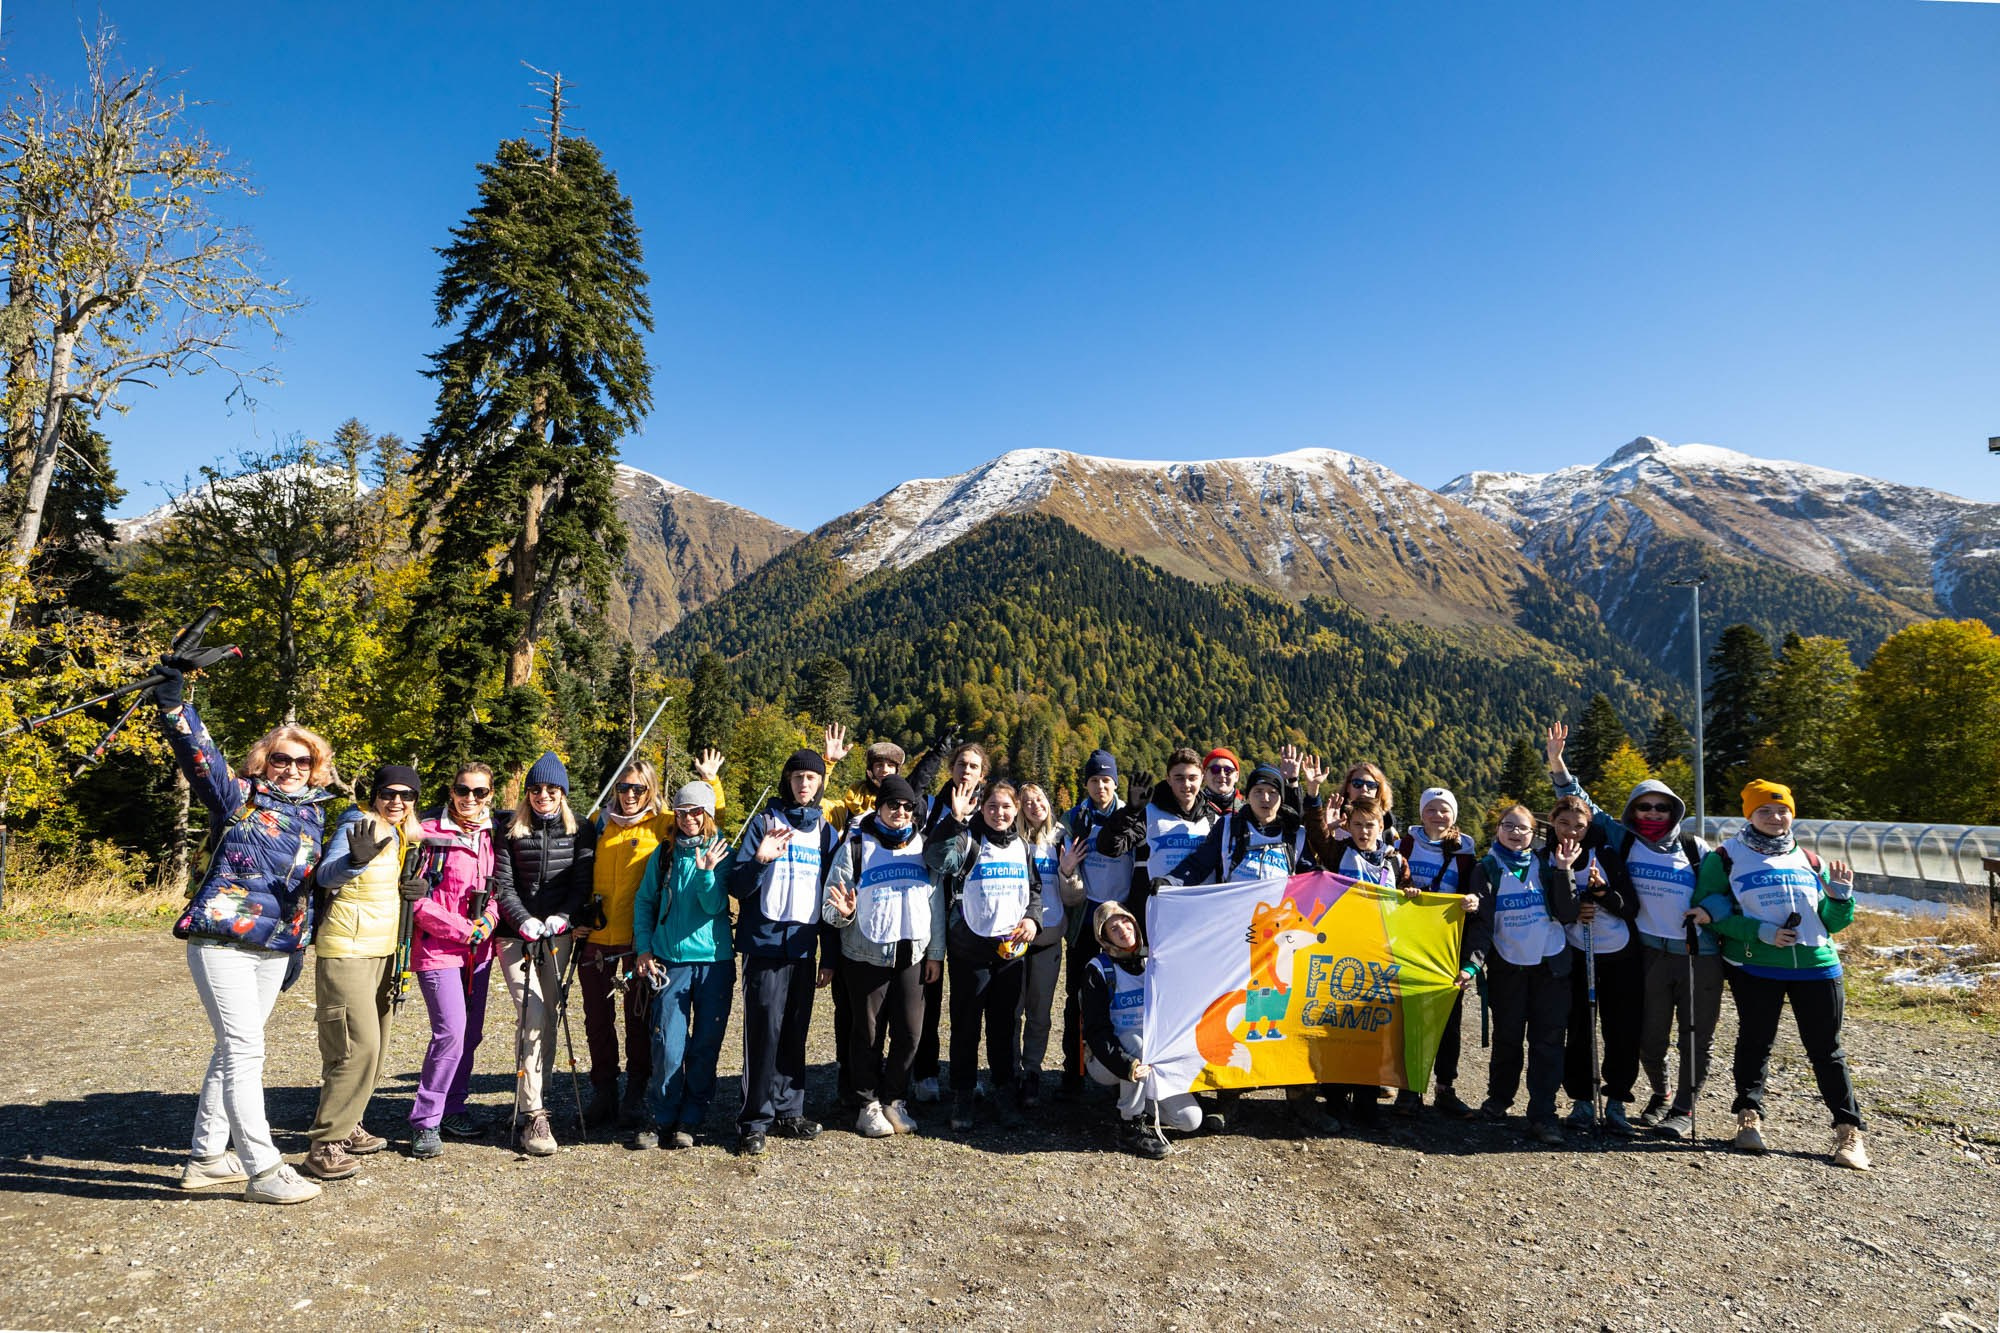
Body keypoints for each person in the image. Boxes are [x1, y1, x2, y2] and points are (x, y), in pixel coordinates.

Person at [158, 656, 333, 1206]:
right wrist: (175, 705)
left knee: (232, 1049)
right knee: (245, 1047)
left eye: (303, 762)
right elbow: (200, 758)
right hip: (223, 940)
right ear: (263, 760)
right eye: (281, 758)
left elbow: (304, 887)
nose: (291, 768)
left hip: (275, 946)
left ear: (316, 767)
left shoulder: (315, 815)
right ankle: (263, 1167)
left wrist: (299, 941)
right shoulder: (240, 799)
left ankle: (208, 1157)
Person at [1546, 722, 1719, 1141]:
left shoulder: (1695, 849)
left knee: (1658, 1033)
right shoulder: (1622, 838)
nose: (1653, 815)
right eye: (1645, 807)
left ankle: (1657, 1104)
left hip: (1686, 952)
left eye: (1662, 808)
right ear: (1632, 811)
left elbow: (1719, 890)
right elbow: (1580, 810)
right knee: (1640, 1034)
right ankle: (1614, 1098)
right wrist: (1556, 762)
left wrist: (1709, 910)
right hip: (1642, 950)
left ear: (1675, 811)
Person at [1704, 780, 1869, 1169]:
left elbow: (1831, 922)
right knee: (1755, 1041)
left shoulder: (1811, 860)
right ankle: (1749, 1117)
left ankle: (1849, 1131)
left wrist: (1843, 899)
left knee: (1827, 1050)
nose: (1776, 817)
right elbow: (1710, 912)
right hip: (1756, 965)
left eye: (1783, 810)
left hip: (1817, 966)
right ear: (1749, 814)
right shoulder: (1726, 857)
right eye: (1765, 810)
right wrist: (1759, 932)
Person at [582, 752, 723, 1132]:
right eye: (623, 786)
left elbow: (707, 815)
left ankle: (635, 1093)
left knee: (639, 1020)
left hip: (637, 940)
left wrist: (711, 781)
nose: (629, 793)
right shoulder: (598, 823)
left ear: (651, 791)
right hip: (597, 936)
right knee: (596, 1020)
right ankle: (604, 1091)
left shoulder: (663, 824)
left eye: (638, 788)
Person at [301, 764, 424, 1181]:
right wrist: (354, 860)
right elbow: (326, 875)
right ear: (375, 795)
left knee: (376, 1046)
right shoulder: (358, 824)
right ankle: (324, 1145)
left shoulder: (406, 833)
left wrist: (414, 891)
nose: (397, 801)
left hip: (383, 952)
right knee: (356, 1048)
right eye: (389, 793)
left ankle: (348, 1122)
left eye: (407, 796)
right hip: (347, 951)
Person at [729, 748, 838, 1155]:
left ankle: (789, 1110)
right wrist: (759, 859)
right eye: (797, 777)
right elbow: (737, 885)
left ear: (820, 783)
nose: (804, 784)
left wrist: (828, 956)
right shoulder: (764, 822)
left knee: (794, 1030)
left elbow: (831, 897)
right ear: (787, 781)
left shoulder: (826, 832)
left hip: (803, 948)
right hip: (765, 946)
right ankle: (754, 1120)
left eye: (811, 778)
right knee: (763, 1033)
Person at [822, 774, 943, 1137]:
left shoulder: (923, 846)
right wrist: (842, 912)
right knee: (867, 1035)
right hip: (864, 956)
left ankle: (895, 1099)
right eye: (893, 805)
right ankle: (867, 1104)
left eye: (908, 807)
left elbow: (935, 904)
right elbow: (830, 903)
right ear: (880, 806)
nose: (901, 812)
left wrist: (935, 953)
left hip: (912, 956)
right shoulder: (856, 846)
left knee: (909, 1034)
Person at [492, 751, 598, 1157]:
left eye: (552, 789)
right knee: (532, 1012)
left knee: (548, 1016)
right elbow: (503, 884)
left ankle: (535, 1095)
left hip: (557, 935)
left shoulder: (581, 829)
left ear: (563, 793)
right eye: (535, 789)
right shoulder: (509, 828)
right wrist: (522, 921)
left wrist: (563, 918)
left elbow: (581, 881)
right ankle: (535, 1114)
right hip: (515, 937)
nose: (543, 796)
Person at [928, 775, 1043, 1130]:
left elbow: (1034, 888)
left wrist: (1032, 919)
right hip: (970, 949)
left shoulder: (1023, 847)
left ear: (1016, 810)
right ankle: (963, 1094)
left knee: (1004, 1026)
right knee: (965, 1027)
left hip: (1011, 952)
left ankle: (1004, 1091)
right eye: (992, 805)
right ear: (981, 807)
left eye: (1006, 806)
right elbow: (935, 859)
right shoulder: (968, 840)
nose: (999, 812)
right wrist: (955, 820)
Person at [631, 782, 735, 1149]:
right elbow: (644, 903)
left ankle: (690, 1119)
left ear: (707, 814)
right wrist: (643, 950)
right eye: (682, 812)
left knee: (705, 1044)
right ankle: (661, 1116)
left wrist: (707, 871)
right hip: (669, 963)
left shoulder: (722, 851)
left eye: (696, 812)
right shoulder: (664, 855)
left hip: (713, 962)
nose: (689, 819)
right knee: (668, 1044)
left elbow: (715, 906)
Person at [408, 763, 503, 1160]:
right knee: (450, 1032)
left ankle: (454, 1107)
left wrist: (490, 919)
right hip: (437, 948)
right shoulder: (426, 833)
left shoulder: (495, 835)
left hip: (478, 951)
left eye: (479, 792)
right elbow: (414, 897)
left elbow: (500, 888)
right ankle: (425, 1120)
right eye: (463, 790)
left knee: (471, 1034)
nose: (470, 798)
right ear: (451, 791)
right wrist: (459, 928)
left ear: (491, 796)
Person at [1471, 803, 1579, 1145]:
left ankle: (1543, 1113)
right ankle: (1499, 1098)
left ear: (1535, 834)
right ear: (1498, 830)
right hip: (1508, 967)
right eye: (1509, 826)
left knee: (1547, 1042)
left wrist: (1564, 871)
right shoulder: (1486, 868)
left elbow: (1567, 912)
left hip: (1551, 966)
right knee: (1508, 1036)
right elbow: (1482, 923)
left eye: (1523, 828)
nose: (1516, 833)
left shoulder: (1547, 866)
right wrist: (1473, 963)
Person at [1548, 794, 1642, 1136]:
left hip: (1619, 952)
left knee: (1622, 1029)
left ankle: (1616, 1101)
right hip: (1575, 950)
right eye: (1564, 824)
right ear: (1552, 823)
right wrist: (1579, 903)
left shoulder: (1605, 855)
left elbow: (1629, 906)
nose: (1571, 832)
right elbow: (1557, 909)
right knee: (1579, 1028)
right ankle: (1582, 1101)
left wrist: (1601, 894)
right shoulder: (1546, 857)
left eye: (1579, 825)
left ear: (1589, 827)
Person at [1081, 901, 1202, 1159]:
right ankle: (1130, 1125)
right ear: (1104, 938)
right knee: (1137, 1043)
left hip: (1151, 1060)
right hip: (1108, 1060)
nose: (1123, 930)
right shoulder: (1098, 969)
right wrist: (1126, 1065)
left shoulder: (1154, 960)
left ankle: (1134, 1097)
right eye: (1113, 929)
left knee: (1191, 1120)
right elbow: (1095, 1031)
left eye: (1125, 922)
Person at [1393, 787, 1481, 1118]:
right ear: (1421, 813)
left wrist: (1473, 900)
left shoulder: (1465, 852)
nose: (1438, 815)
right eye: (1431, 808)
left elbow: (1476, 891)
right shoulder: (1404, 844)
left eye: (1444, 810)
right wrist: (1403, 890)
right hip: (1408, 942)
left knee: (1448, 1020)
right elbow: (1389, 882)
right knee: (1410, 1018)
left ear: (1454, 816)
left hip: (1447, 945)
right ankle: (1409, 1088)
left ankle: (1445, 1088)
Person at [910, 739, 989, 1102]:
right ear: (952, 768)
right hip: (935, 912)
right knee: (930, 995)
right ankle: (925, 1070)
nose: (966, 770)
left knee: (968, 1003)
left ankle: (965, 1074)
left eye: (974, 766)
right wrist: (934, 755)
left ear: (982, 774)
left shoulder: (989, 809)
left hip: (975, 918)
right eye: (961, 764)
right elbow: (909, 794)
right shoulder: (932, 806)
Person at [1058, 749, 1131, 1098]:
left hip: (1125, 920)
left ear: (1115, 782)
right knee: (1078, 998)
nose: (1100, 786)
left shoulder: (1132, 815)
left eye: (1106, 780)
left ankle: (1123, 1071)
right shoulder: (1074, 818)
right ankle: (1072, 1073)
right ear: (1085, 783)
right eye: (1093, 780)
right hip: (1086, 919)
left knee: (1127, 997)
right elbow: (1063, 864)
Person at [1096, 747, 1211, 932]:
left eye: (1192, 777)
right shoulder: (1150, 812)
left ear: (1202, 777)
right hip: (1160, 913)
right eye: (1179, 778)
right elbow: (1109, 846)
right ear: (1168, 779)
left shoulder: (1212, 818)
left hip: (1201, 915)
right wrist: (1130, 812)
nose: (1186, 784)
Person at [1013, 782, 1073, 1108]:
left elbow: (1075, 894)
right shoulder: (1012, 839)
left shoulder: (1062, 837)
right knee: (1012, 1011)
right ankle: (1009, 1072)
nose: (1034, 805)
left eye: (1039, 799)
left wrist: (1066, 873)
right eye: (1027, 801)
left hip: (1049, 937)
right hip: (1017, 938)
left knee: (1040, 1013)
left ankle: (1032, 1070)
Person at [1161, 762, 1312, 886]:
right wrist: (1170, 882)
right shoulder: (1228, 826)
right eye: (1258, 791)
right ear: (1247, 796)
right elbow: (1200, 864)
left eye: (1272, 792)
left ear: (1281, 798)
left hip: (1277, 918)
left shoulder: (1296, 835)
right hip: (1236, 917)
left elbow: (1311, 878)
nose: (1265, 798)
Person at [1199, 747, 1244, 820]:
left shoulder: (1248, 811)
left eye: (1228, 770)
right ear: (1204, 774)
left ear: (1236, 776)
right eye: (1215, 769)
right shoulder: (1192, 808)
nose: (1222, 775)